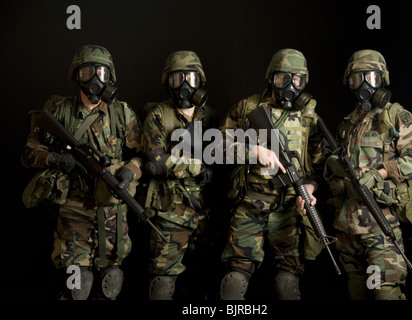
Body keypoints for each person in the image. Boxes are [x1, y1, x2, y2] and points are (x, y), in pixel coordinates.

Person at [21, 44, 143, 300]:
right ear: (77, 76)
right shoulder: (60, 112)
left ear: (110, 78)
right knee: (78, 285)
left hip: (113, 210)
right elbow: (28, 153)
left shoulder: (121, 113)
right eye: (88, 72)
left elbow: (141, 155)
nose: (96, 80)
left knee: (112, 282)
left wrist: (130, 171)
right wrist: (54, 158)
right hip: (74, 210)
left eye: (102, 73)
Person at [324, 49, 412, 300]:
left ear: (382, 80)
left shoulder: (394, 116)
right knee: (357, 288)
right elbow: (328, 159)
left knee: (385, 292)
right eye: (356, 78)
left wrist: (381, 172)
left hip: (381, 221)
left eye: (370, 78)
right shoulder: (347, 123)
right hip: (348, 223)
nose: (363, 85)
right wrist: (333, 165)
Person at [219, 48, 325, 300]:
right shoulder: (248, 107)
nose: (290, 86)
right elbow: (215, 147)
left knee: (288, 278)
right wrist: (252, 151)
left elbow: (318, 166)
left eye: (297, 79)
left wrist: (309, 188)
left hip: (288, 209)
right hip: (250, 204)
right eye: (283, 79)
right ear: (270, 78)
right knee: (235, 277)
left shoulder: (308, 116)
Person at [141, 50, 218, 300]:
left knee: (201, 276)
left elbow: (223, 154)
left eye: (191, 79)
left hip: (205, 210)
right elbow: (156, 160)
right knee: (164, 277)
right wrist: (196, 167)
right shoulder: (158, 115)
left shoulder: (209, 117)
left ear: (201, 82)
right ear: (167, 83)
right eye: (177, 79)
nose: (184, 86)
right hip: (170, 210)